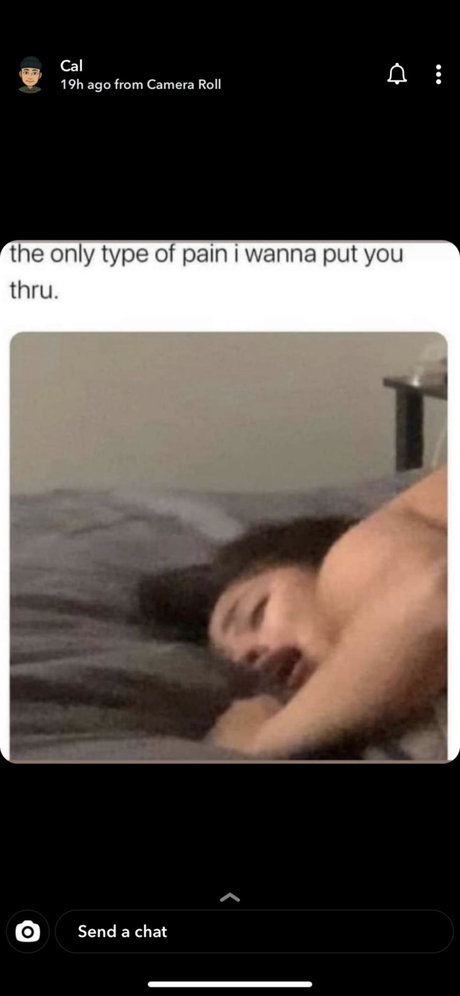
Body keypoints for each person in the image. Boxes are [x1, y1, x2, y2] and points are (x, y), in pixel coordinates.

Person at [138, 467, 447, 758]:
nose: (249, 655)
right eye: (234, 660)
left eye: (257, 613)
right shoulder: (380, 704)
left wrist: (261, 740)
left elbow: (435, 598)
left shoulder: (350, 555)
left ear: (316, 556)